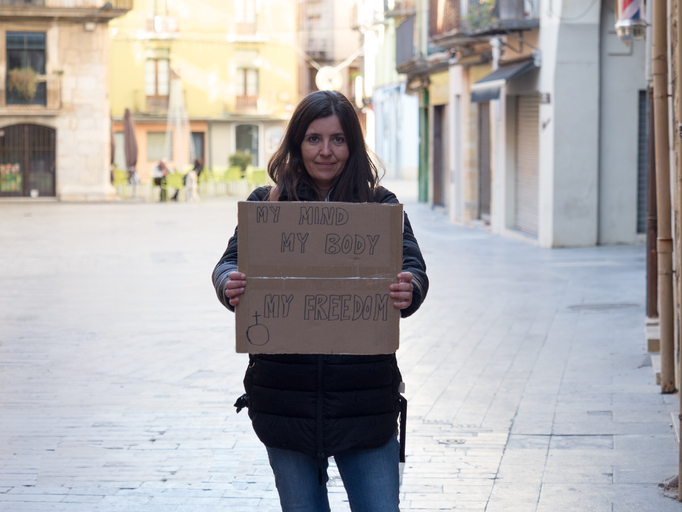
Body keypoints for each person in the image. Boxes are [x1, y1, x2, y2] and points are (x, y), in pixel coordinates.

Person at [212, 90, 428, 512]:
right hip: (285, 402)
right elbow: (228, 263)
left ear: (353, 145)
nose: (326, 151)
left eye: (338, 139)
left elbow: (413, 268)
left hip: (364, 403)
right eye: (314, 139)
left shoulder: (380, 206)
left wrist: (410, 287)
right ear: (297, 143)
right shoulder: (266, 206)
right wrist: (228, 284)